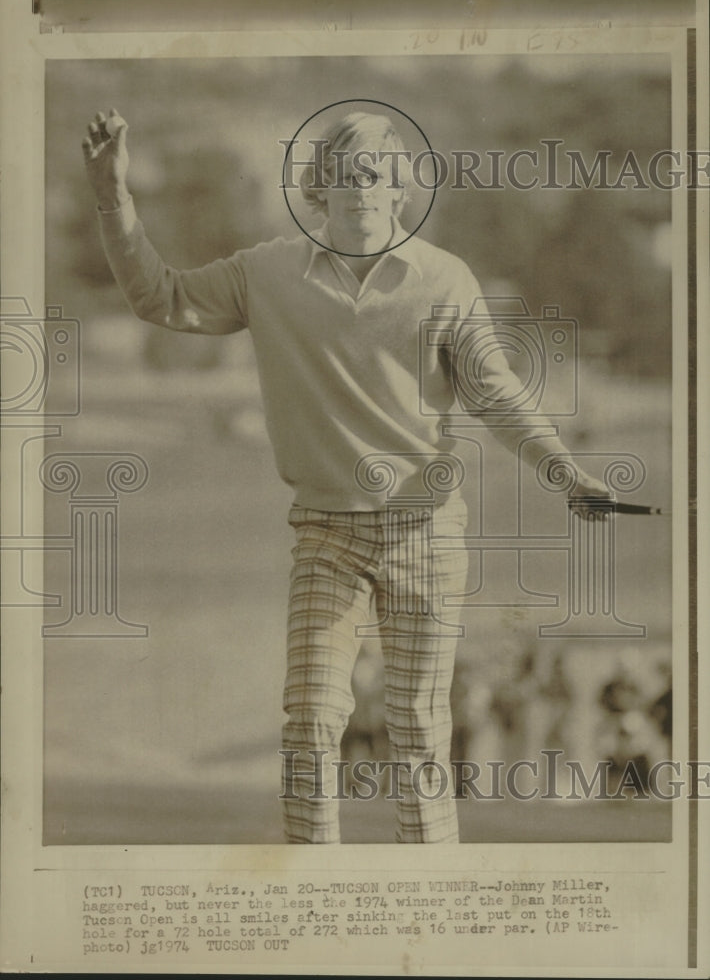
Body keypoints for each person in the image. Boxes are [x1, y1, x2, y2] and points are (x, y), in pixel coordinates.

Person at [82, 107, 610, 844]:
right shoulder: (264, 272)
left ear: (399, 188)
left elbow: (495, 394)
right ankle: (312, 886)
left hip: (427, 535)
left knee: (421, 731)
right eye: (343, 173)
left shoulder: (444, 280)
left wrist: (565, 470)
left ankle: (428, 900)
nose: (359, 186)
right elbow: (159, 297)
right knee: (310, 722)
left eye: (375, 172)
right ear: (318, 189)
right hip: (327, 536)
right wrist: (113, 196)